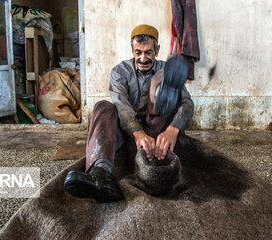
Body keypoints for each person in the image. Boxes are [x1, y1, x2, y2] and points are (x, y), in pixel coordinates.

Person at [64, 24, 194, 203]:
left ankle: (157, 161)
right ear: (132, 50)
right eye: (138, 52)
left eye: (148, 52)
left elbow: (187, 104)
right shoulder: (120, 71)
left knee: (162, 80)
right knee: (104, 106)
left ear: (157, 50)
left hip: (159, 131)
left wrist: (173, 129)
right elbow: (122, 106)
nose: (143, 58)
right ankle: (101, 175)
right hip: (129, 133)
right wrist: (137, 133)